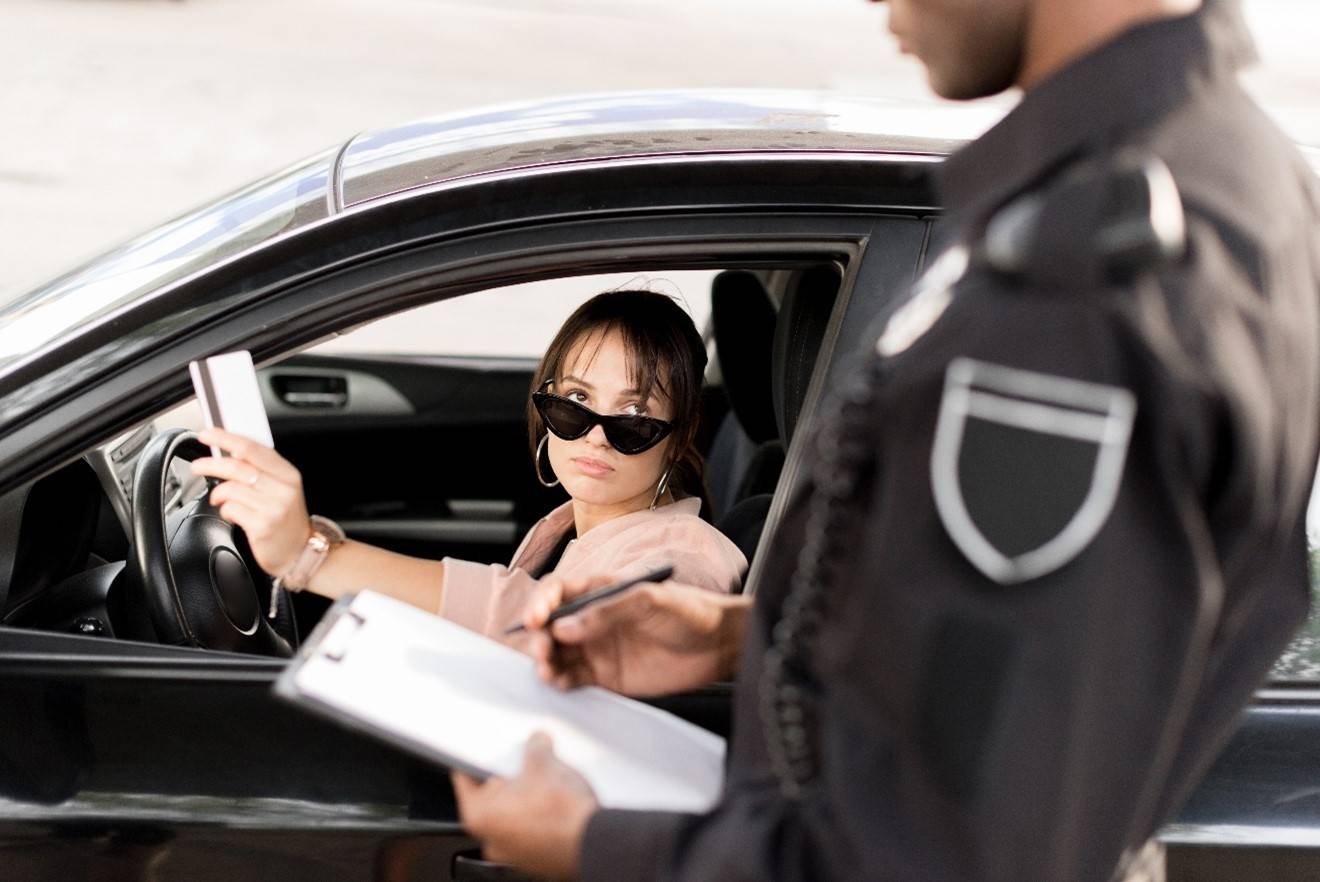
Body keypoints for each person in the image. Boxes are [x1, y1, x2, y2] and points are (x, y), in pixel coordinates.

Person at [450, 1, 1320, 881]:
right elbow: (1050, 661)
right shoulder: (1229, 172)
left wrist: (594, 846)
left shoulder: (1084, 287)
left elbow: (938, 856)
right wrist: (747, 637)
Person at [190, 289, 746, 644]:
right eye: (574, 401)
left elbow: (568, 625)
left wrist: (310, 554)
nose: (597, 436)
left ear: (679, 439)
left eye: (634, 415)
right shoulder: (569, 528)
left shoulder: (687, 559)